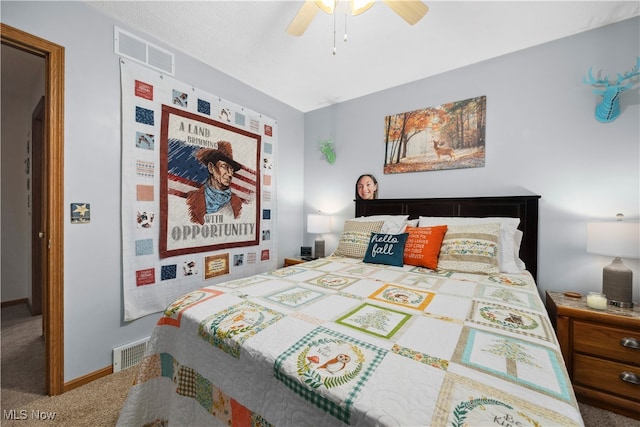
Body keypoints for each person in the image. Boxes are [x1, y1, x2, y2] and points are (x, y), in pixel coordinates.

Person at [186, 141, 244, 224]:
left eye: (231, 169)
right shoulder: (193, 199)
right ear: (211, 168)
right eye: (224, 166)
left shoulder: (236, 201)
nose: (230, 174)